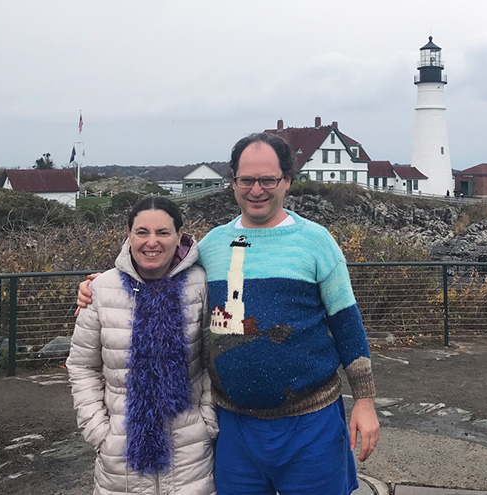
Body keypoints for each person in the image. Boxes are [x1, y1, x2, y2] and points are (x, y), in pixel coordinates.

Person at [77, 132, 380, 495]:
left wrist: (365, 400)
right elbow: (160, 274)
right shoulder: (212, 246)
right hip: (233, 428)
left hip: (311, 424)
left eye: (267, 179)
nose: (256, 190)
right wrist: (102, 282)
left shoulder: (316, 241)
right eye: (246, 180)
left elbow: (346, 322)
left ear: (286, 181)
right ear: (233, 181)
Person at [67, 197, 217, 495]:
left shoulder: (202, 284)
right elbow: (82, 365)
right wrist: (99, 431)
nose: (152, 242)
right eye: (142, 232)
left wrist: (207, 421)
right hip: (119, 457)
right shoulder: (101, 288)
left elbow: (215, 358)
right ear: (129, 235)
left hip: (191, 456)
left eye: (163, 232)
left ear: (179, 235)